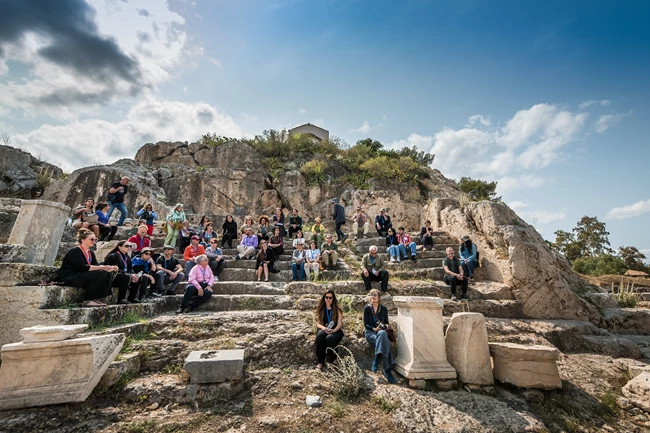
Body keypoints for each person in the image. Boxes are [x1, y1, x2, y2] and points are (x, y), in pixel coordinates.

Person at [55, 228, 117, 307]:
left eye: (95, 239)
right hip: (70, 276)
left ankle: (95, 297)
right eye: (91, 239)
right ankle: (88, 300)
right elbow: (82, 267)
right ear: (83, 240)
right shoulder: (75, 251)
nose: (94, 241)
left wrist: (108, 267)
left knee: (106, 274)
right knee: (100, 274)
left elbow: (96, 265)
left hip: (81, 275)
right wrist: (102, 267)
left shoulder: (90, 252)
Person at [363, 289, 396, 383]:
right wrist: (374, 329)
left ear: (379, 297)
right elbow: (365, 324)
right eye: (371, 295)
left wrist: (384, 326)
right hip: (370, 332)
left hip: (380, 332)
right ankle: (387, 370)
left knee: (382, 334)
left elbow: (386, 322)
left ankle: (377, 358)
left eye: (375, 295)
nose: (372, 297)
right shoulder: (367, 308)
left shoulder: (384, 309)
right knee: (385, 341)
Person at [314, 290, 344, 370]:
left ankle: (333, 359)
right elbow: (318, 323)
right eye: (326, 297)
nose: (328, 299)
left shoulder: (337, 309)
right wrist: (324, 328)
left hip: (335, 330)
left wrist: (334, 330)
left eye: (330, 297)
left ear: (333, 299)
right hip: (324, 329)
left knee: (329, 339)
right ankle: (320, 361)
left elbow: (340, 323)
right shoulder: (321, 309)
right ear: (324, 298)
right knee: (320, 336)